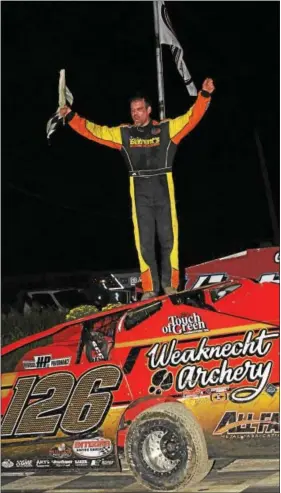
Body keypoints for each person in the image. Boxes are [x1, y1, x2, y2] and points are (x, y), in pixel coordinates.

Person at [59, 78, 215, 301]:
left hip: (163, 188)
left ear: (149, 110)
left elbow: (192, 117)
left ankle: (170, 286)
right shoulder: (124, 134)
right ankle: (150, 288)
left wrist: (204, 96)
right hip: (139, 189)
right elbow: (94, 131)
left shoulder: (166, 129)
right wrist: (72, 117)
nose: (136, 114)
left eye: (140, 110)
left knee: (168, 237)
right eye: (133, 111)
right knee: (144, 241)